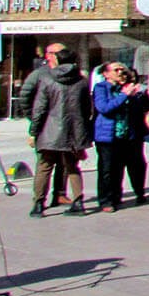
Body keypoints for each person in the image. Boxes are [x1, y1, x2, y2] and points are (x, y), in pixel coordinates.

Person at [28, 47, 92, 216]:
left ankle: (38, 204)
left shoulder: (48, 79)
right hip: (73, 131)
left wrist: (33, 132)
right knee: (72, 166)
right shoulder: (82, 81)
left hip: (49, 130)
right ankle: (78, 201)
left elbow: (40, 108)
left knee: (44, 166)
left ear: (58, 60)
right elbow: (87, 109)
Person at [91, 62, 149, 211]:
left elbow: (147, 107)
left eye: (122, 70)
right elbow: (104, 108)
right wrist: (124, 95)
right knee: (107, 170)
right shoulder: (101, 88)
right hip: (107, 135)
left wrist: (139, 94)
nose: (120, 72)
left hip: (129, 135)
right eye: (116, 70)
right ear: (106, 74)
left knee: (132, 166)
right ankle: (106, 201)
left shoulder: (129, 87)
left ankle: (130, 194)